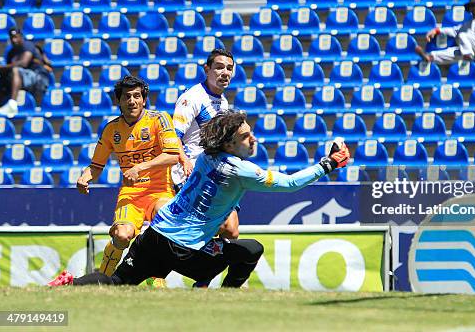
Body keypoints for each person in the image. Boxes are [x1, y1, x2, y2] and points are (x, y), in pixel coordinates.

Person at [49, 110, 351, 287]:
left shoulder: (207, 155)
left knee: (116, 282)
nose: (253, 138)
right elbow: (289, 184)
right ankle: (221, 297)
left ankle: (69, 284)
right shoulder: (241, 170)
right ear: (230, 142)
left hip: (154, 234)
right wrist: (329, 163)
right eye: (246, 136)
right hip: (183, 249)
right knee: (249, 250)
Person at [74, 75, 190, 279]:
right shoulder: (111, 129)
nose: (132, 101)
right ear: (118, 101)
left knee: (162, 231)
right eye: (127, 97)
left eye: (137, 96)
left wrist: (140, 167)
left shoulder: (159, 119)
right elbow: (96, 166)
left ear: (144, 99)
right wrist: (85, 177)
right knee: (122, 235)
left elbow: (173, 156)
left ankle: (156, 281)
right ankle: (101, 280)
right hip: (131, 195)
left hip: (160, 191)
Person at [172, 48, 239, 242]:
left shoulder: (223, 102)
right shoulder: (192, 98)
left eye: (229, 68)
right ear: (207, 69)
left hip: (213, 171)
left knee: (231, 230)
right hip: (192, 173)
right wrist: (184, 161)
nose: (224, 72)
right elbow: (172, 137)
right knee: (222, 227)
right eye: (218, 67)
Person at [415, 0, 475, 64]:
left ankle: (467, 54)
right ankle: (430, 57)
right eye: (471, 6)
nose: (473, 8)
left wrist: (463, 37)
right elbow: (455, 31)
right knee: (454, 51)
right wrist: (437, 31)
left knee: (463, 36)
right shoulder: (470, 22)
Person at [0, 28, 52, 115]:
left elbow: (23, 63)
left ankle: (12, 104)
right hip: (23, 80)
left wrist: (1, 67)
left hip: (38, 78)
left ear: (21, 37)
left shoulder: (28, 45)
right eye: (12, 38)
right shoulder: (11, 53)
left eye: (16, 37)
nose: (14, 40)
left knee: (15, 70)